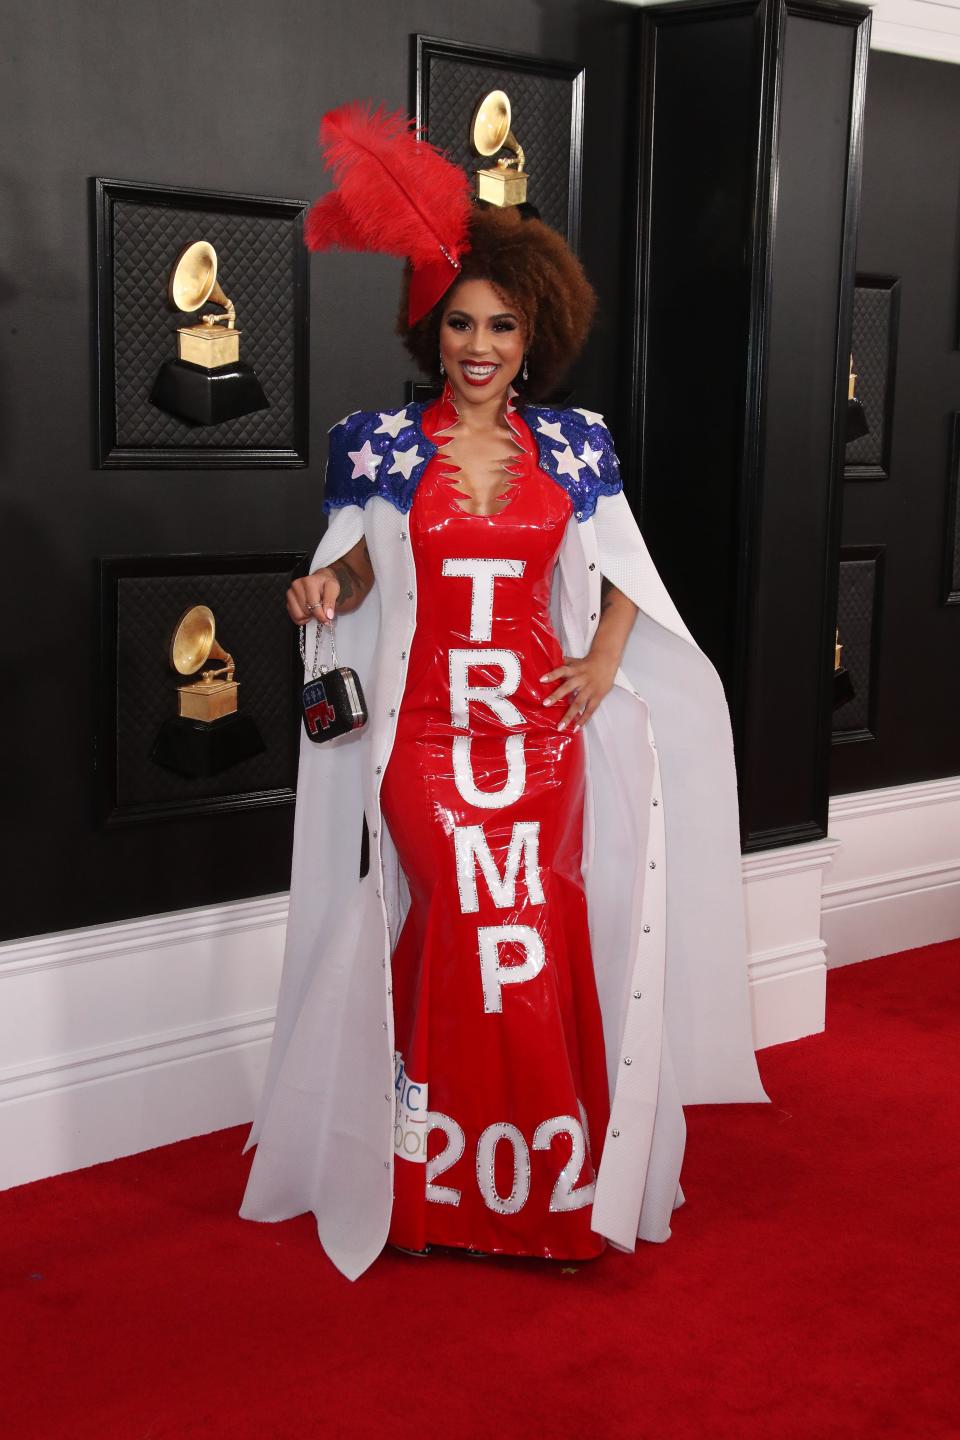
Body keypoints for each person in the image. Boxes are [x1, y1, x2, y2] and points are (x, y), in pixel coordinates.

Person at [240, 102, 770, 1280]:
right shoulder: (377, 442)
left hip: (541, 741)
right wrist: (320, 588)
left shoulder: (576, 446)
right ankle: (424, 1180)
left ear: (536, 336)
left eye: (503, 327)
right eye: (461, 323)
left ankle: (550, 1186)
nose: (479, 346)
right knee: (451, 928)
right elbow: (364, 559)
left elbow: (628, 575)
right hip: (428, 743)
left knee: (535, 932)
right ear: (432, 329)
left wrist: (599, 661)